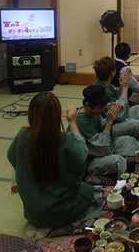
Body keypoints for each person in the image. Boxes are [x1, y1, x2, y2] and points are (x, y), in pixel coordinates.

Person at [7, 92, 102, 238]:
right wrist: (72, 122)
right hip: (59, 209)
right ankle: (50, 223)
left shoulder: (22, 136)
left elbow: (12, 158)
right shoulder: (63, 140)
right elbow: (81, 158)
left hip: (32, 209)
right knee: (91, 192)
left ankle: (37, 221)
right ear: (57, 115)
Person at [76, 85, 139, 178]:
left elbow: (101, 126)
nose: (103, 109)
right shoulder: (82, 121)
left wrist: (113, 115)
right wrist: (109, 122)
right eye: (100, 107)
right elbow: (103, 148)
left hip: (102, 146)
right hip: (90, 159)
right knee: (119, 161)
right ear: (87, 105)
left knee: (128, 141)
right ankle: (125, 183)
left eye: (104, 106)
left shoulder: (94, 111)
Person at [93, 56, 139, 125]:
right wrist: (125, 87)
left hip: (117, 112)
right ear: (112, 72)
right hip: (110, 121)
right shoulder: (100, 90)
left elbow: (117, 95)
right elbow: (120, 115)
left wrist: (122, 85)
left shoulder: (104, 83)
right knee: (134, 123)